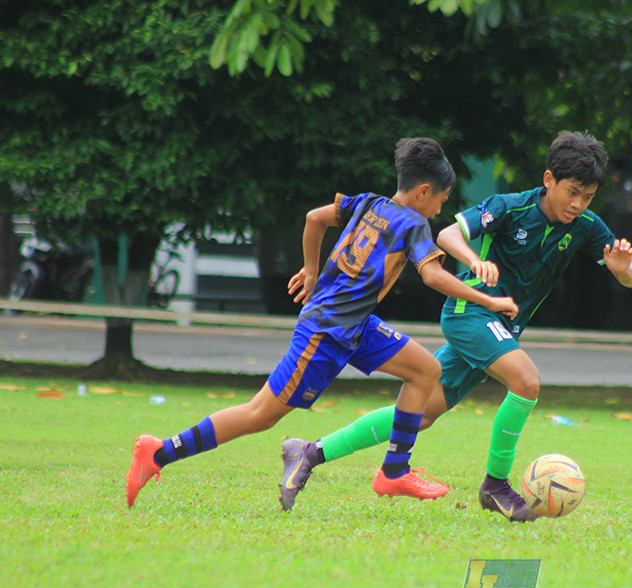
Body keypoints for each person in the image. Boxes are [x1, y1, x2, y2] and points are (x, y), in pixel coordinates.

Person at [124, 137, 519, 508]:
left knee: (425, 370)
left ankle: (394, 471)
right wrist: (489, 299)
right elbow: (433, 277)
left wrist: (311, 271)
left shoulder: (367, 203)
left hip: (356, 325)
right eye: (440, 201)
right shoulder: (414, 224)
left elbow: (315, 218)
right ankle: (158, 452)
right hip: (327, 331)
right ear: (422, 192)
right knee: (260, 414)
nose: (438, 211)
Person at [280, 130, 632, 521]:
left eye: (587, 197)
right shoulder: (509, 207)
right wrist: (473, 261)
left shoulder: (586, 225)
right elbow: (449, 234)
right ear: (549, 179)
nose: (578, 204)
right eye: (572, 192)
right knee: (526, 381)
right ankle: (496, 485)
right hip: (469, 315)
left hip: (499, 330)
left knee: (422, 414)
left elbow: (631, 277)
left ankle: (309, 452)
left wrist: (624, 271)